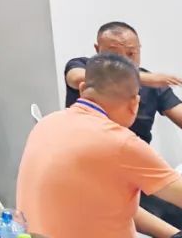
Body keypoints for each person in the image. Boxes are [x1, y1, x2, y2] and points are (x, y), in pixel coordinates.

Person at [18, 53, 182, 238]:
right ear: (134, 104)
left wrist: (173, 234)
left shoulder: (47, 124)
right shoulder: (121, 143)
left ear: (82, 89)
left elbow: (119, 207)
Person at [63, 21, 182, 227]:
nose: (124, 61)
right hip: (92, 177)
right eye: (113, 54)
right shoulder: (83, 69)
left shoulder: (152, 86)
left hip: (136, 174)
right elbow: (76, 77)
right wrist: (141, 78)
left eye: (131, 54)